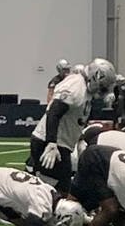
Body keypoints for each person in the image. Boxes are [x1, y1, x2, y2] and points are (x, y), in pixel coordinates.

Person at [31, 57, 115, 194]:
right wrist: (51, 143)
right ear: (96, 77)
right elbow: (53, 113)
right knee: (51, 191)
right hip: (50, 144)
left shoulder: (84, 89)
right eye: (102, 85)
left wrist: (79, 138)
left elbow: (76, 118)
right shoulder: (75, 86)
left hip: (61, 144)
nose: (102, 90)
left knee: (60, 188)